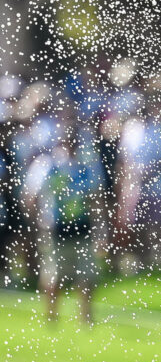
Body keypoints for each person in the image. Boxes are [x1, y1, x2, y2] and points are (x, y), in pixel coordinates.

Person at [27, 126, 103, 325]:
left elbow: (94, 199)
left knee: (85, 276)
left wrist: (100, 229)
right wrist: (39, 221)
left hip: (81, 228)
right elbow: (30, 197)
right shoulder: (47, 165)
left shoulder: (85, 166)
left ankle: (85, 317)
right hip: (56, 230)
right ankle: (52, 316)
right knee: (54, 276)